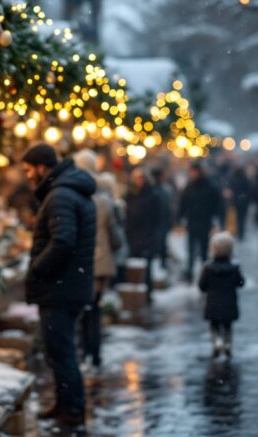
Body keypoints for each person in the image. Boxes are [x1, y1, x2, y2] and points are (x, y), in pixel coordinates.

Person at [22, 143, 96, 427]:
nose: (29, 176)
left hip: (60, 288)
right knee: (60, 351)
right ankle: (65, 404)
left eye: (30, 169)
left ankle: (72, 411)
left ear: (43, 167)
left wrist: (37, 268)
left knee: (62, 352)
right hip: (68, 286)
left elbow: (63, 241)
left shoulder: (60, 195)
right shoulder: (66, 191)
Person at [73, 151, 121, 368]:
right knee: (96, 309)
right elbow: (115, 235)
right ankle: (96, 351)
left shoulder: (78, 197)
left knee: (85, 309)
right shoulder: (104, 200)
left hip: (84, 262)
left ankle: (85, 351)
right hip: (103, 264)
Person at [198, 231, 245, 358]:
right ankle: (227, 343)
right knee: (228, 325)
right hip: (229, 303)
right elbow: (241, 283)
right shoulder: (234, 268)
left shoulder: (208, 268)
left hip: (213, 304)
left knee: (214, 325)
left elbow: (202, 286)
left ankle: (217, 341)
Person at [178, 163, 224, 282]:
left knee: (204, 251)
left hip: (204, 222)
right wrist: (179, 217)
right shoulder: (190, 186)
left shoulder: (209, 186)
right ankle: (190, 273)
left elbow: (217, 203)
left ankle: (205, 275)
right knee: (191, 250)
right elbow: (183, 203)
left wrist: (216, 218)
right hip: (192, 222)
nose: (192, 174)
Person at [125, 167, 160, 303]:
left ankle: (147, 295)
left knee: (147, 268)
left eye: (142, 178)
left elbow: (157, 218)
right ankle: (135, 296)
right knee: (134, 269)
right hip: (133, 236)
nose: (140, 181)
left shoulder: (153, 194)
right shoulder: (129, 194)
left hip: (147, 236)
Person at [151, 167, 175, 268]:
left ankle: (160, 265)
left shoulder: (162, 190)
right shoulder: (164, 190)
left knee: (159, 244)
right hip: (160, 222)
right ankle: (161, 265)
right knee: (161, 244)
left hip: (159, 222)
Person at [229, 166, 252, 240]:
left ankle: (239, 232)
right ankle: (241, 232)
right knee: (242, 218)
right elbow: (249, 190)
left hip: (237, 202)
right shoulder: (245, 179)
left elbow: (232, 189)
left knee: (238, 218)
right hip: (243, 202)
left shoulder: (233, 179)